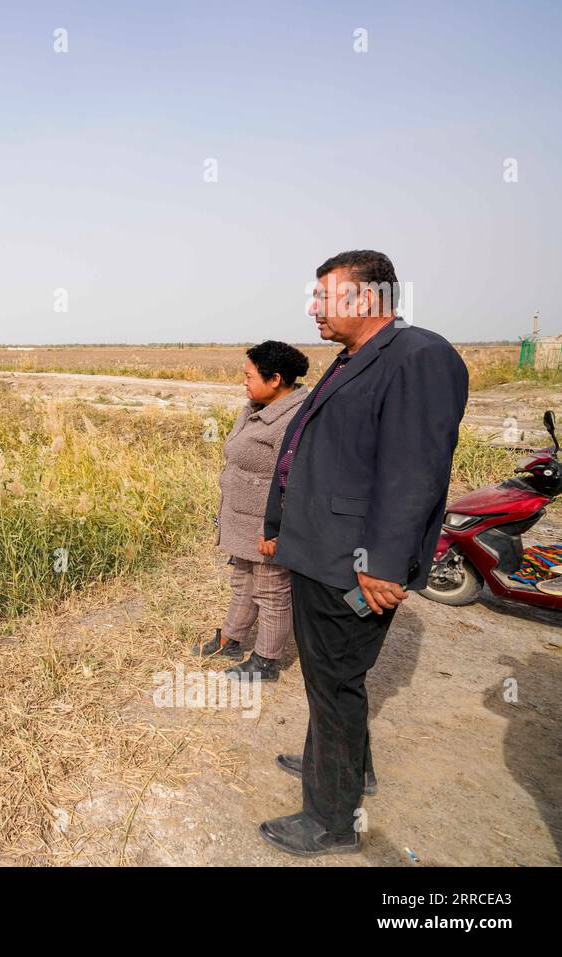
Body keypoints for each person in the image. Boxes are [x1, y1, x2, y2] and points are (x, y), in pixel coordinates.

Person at [258, 250, 468, 856]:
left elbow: (414, 473)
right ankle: (348, 770)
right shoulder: (355, 358)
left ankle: (329, 819)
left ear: (364, 298)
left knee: (334, 684)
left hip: (353, 563)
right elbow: (311, 449)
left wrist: (379, 563)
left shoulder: (419, 357)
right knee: (334, 679)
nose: (313, 307)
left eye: (323, 296)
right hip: (321, 549)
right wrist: (281, 522)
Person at [192, 341, 309, 682]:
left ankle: (266, 661)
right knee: (242, 581)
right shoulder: (256, 406)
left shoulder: (292, 420)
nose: (243, 381)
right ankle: (231, 639)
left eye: (249, 375)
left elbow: (291, 482)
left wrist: (276, 529)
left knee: (271, 591)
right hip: (243, 519)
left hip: (266, 525)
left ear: (275, 379)